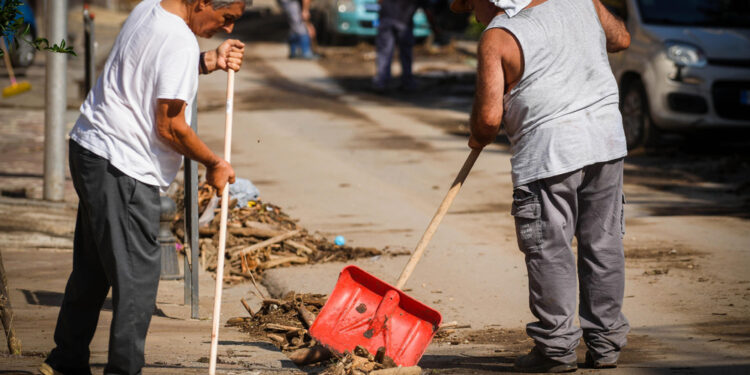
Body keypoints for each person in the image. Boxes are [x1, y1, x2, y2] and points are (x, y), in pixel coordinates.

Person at [39, 0, 250, 374]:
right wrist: (214, 163)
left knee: (94, 268)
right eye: (227, 18)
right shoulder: (179, 41)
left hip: (92, 148)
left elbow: (151, 72)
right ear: (203, 2)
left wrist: (208, 62)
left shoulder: (149, 9)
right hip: (122, 166)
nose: (228, 29)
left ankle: (66, 361)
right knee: (137, 279)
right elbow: (170, 126)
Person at [450, 0, 631, 372]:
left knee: (550, 250)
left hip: (549, 152)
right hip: (606, 143)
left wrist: (476, 136)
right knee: (603, 244)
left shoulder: (497, 37)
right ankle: (607, 344)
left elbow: (487, 120)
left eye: (470, 3)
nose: (472, 13)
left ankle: (556, 350)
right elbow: (621, 38)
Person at [372, 0, 421, 93]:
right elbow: (426, 7)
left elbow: (379, 1)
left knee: (384, 52)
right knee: (405, 53)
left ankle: (381, 82)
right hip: (404, 21)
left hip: (387, 19)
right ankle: (408, 82)